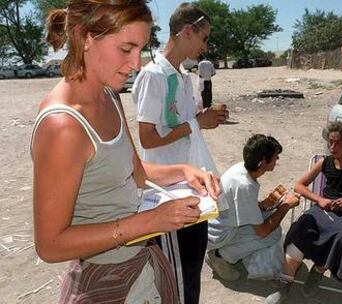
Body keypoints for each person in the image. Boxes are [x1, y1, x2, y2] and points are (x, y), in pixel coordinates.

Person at [31, 1, 220, 303]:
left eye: (141, 49)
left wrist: (185, 171)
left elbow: (137, 173)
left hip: (141, 267)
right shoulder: (63, 125)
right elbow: (50, 244)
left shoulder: (109, 96)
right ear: (85, 37)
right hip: (103, 281)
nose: (135, 64)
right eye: (126, 49)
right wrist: (150, 222)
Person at [131, 3, 227, 303]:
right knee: (178, 279)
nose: (205, 46)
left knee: (192, 272)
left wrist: (203, 121)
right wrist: (195, 123)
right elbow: (147, 138)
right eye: (204, 38)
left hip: (191, 189)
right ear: (187, 32)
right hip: (168, 196)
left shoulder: (182, 75)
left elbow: (183, 126)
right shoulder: (154, 76)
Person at [265, 122, 342, 304]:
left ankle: (318, 271)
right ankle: (284, 285)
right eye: (330, 142)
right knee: (301, 228)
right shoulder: (325, 162)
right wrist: (319, 199)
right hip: (324, 209)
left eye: (338, 143)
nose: (332, 147)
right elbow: (299, 185)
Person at [207, 134, 300, 281]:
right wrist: (286, 206)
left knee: (270, 218)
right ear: (263, 162)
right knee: (272, 233)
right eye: (275, 156)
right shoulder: (246, 185)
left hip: (220, 223)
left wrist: (261, 205)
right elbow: (263, 232)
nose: (277, 160)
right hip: (220, 234)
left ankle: (225, 253)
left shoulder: (241, 168)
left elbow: (238, 204)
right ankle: (220, 257)